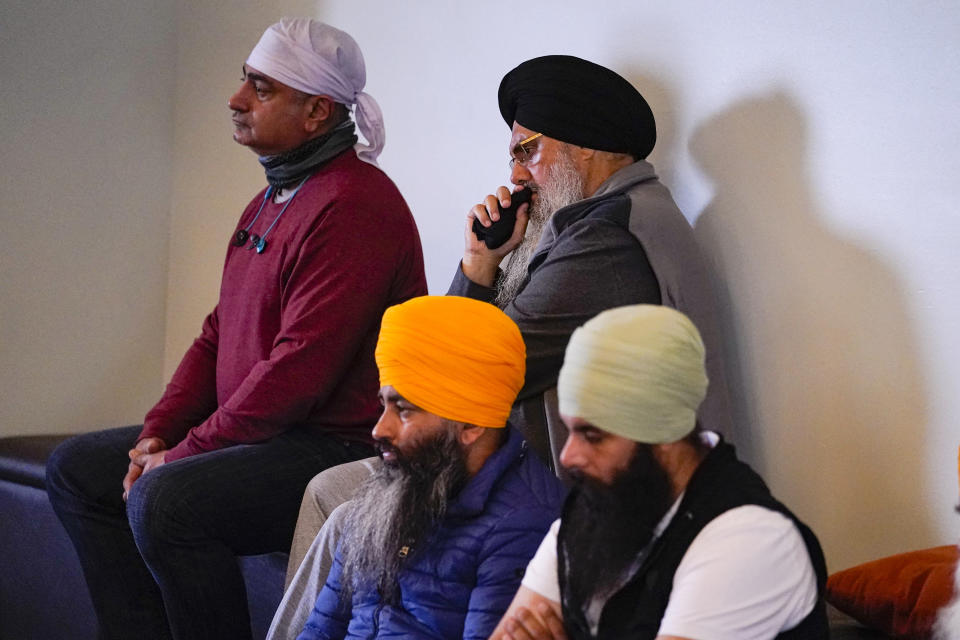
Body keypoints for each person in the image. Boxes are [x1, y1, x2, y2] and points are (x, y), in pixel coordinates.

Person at [282, 51, 734, 580]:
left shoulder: (609, 237)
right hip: (509, 466)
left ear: (586, 146)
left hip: (577, 497)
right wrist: (480, 262)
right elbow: (445, 363)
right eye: (513, 156)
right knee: (331, 498)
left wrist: (479, 274)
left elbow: (470, 372)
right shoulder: (586, 221)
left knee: (331, 502)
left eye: (528, 150)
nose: (517, 175)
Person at [45, 18, 426, 640]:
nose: (236, 99)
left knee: (168, 502)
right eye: (243, 81)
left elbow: (298, 371)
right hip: (272, 434)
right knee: (76, 469)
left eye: (261, 88)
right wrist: (158, 433)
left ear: (315, 111)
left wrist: (185, 455)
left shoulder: (356, 204)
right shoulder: (272, 199)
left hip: (335, 444)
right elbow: (216, 334)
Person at [491, 305, 828, 640]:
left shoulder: (748, 537)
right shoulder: (597, 509)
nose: (568, 456)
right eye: (570, 431)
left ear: (662, 435)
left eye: (592, 436)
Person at [296, 296, 565, 640]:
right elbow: (321, 628)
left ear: (470, 425)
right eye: (383, 405)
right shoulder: (400, 484)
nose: (379, 429)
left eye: (404, 410)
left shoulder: (523, 526)